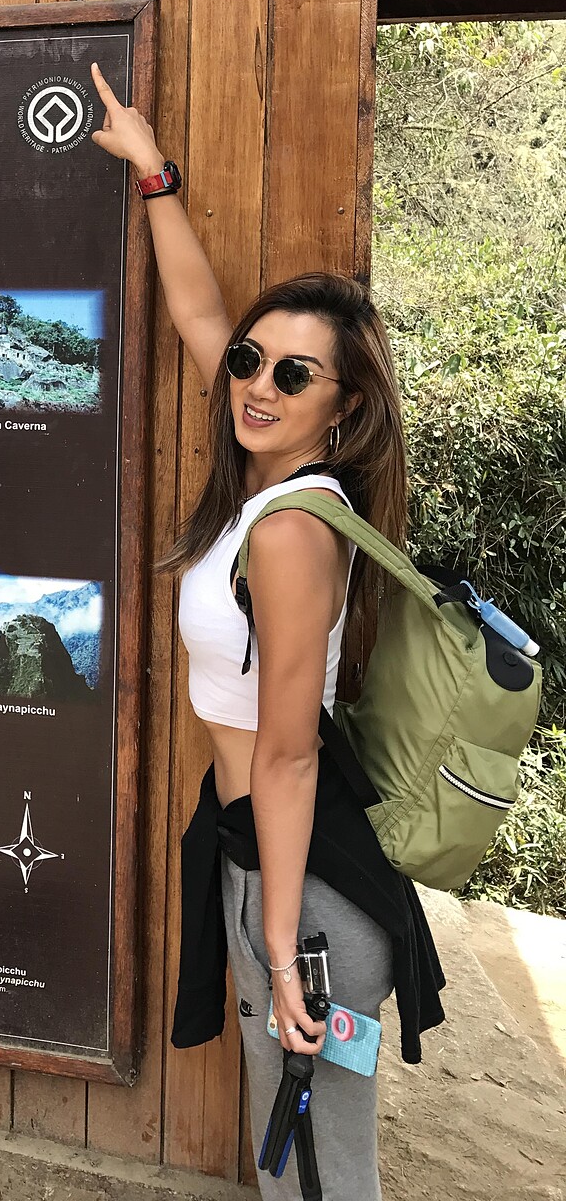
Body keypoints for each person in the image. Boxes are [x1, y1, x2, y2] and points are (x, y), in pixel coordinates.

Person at [89, 63, 444, 1201]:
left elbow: (288, 754)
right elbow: (201, 312)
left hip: (308, 888)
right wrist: (154, 172)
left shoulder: (294, 531)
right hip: (266, 860)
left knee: (321, 1169)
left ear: (345, 404)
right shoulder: (269, 489)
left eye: (295, 373)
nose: (257, 384)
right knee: (287, 1157)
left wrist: (283, 944)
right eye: (252, 361)